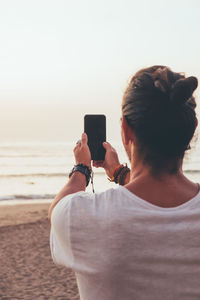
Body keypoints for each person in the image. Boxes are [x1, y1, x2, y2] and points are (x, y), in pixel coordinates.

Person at [49, 65, 200, 300]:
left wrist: (82, 168)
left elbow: (58, 209)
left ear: (125, 129)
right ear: (192, 130)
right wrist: (118, 173)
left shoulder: (86, 216)